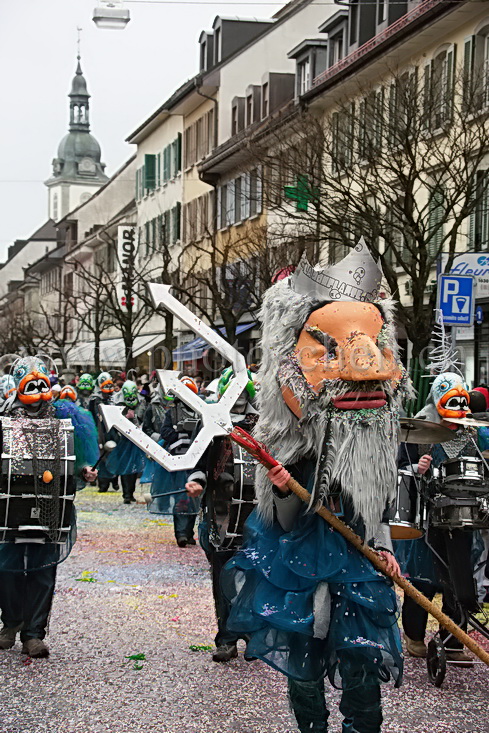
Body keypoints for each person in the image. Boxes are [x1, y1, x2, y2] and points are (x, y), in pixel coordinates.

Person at [219, 243, 411, 732]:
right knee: (303, 676)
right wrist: (283, 486)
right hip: (298, 572)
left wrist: (383, 550)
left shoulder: (377, 446)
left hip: (361, 571)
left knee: (362, 675)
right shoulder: (292, 443)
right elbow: (283, 523)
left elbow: (380, 512)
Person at [0, 356, 99, 657]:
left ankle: (33, 634)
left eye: (42, 382)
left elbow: (78, 458)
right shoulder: (2, 419)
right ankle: (12, 622)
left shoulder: (65, 419)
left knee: (43, 570)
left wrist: (86, 471)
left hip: (51, 502)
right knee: (7, 568)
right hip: (9, 506)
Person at [397, 370, 477, 666]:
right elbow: (400, 470)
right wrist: (416, 467)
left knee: (458, 578)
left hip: (462, 515)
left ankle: (453, 639)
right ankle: (414, 636)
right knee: (422, 580)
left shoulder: (472, 432)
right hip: (428, 516)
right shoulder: (418, 431)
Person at [185, 366, 258, 663]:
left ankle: (254, 635)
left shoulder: (264, 423)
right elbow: (199, 460)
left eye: (242, 392)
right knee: (224, 575)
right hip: (220, 510)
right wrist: (197, 480)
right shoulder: (212, 421)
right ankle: (226, 638)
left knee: (255, 576)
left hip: (258, 512)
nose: (237, 397)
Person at [105, 380, 146, 504]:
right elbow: (113, 422)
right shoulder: (117, 403)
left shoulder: (141, 402)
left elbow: (144, 419)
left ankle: (130, 492)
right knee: (125, 468)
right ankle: (127, 494)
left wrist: (135, 420)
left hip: (136, 439)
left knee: (134, 467)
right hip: (123, 439)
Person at [89, 372, 119, 493]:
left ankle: (114, 480)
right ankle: (103, 483)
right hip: (100, 429)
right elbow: (91, 415)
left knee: (114, 455)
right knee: (101, 456)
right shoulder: (95, 400)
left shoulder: (115, 399)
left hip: (113, 429)